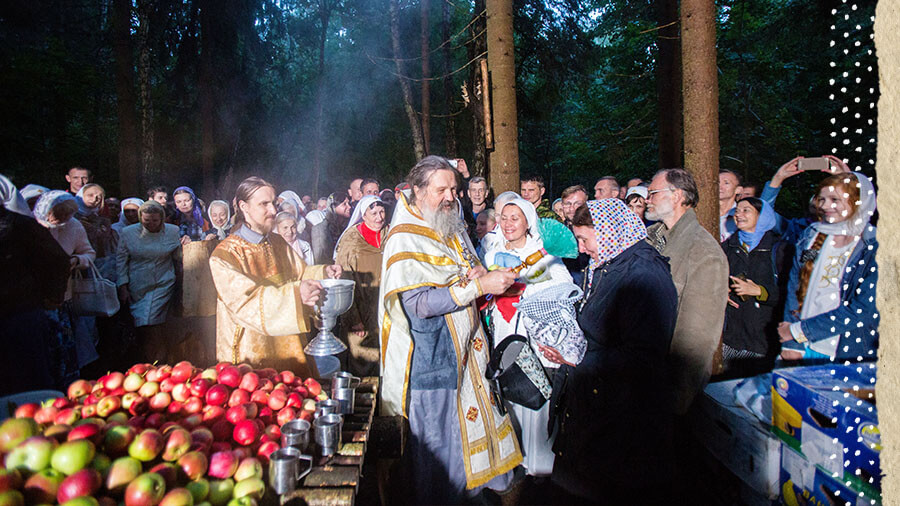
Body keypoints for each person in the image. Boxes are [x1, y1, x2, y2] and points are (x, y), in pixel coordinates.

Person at [379, 156, 522, 503]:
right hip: (433, 362)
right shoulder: (404, 237)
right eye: (440, 189)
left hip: (469, 355)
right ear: (417, 190)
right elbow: (418, 305)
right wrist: (477, 286)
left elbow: (465, 268)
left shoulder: (448, 223)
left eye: (453, 189)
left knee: (468, 446)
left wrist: (476, 274)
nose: (449, 196)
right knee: (441, 452)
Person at [546, 199, 677, 503]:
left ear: (608, 232)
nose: (580, 249)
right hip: (595, 405)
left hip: (623, 420)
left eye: (584, 239)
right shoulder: (608, 263)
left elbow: (644, 358)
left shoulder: (645, 276)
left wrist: (577, 359)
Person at [209, 177, 341, 375]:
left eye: (273, 203)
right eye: (264, 204)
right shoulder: (225, 255)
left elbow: (300, 272)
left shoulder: (277, 242)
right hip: (251, 347)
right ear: (243, 206)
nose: (272, 211)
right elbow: (246, 301)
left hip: (289, 341)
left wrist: (323, 273)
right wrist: (297, 294)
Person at [482, 197, 574, 479]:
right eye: (504, 218)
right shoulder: (489, 251)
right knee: (505, 395)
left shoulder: (543, 255)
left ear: (527, 222)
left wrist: (525, 289)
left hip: (532, 338)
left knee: (532, 395)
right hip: (501, 332)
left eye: (515, 218)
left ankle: (539, 470)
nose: (508, 224)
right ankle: (512, 461)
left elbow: (565, 290)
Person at [644, 168, 728, 415]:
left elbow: (696, 341)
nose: (647, 199)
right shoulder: (649, 239)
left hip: (663, 386)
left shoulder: (704, 254)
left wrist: (675, 400)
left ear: (677, 195)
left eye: (653, 193)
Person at [778, 172, 878, 363]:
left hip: (844, 351)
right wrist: (792, 344)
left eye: (834, 200)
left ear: (858, 202)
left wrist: (797, 331)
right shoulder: (813, 236)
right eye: (821, 199)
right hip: (802, 346)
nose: (824, 206)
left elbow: (863, 309)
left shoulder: (873, 247)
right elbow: (796, 285)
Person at [0, 200, 71, 395]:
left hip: (20, 312)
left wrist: (52, 296)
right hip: (22, 309)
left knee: (30, 380)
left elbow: (56, 260)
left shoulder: (19, 225)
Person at [721, 197, 791, 376]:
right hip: (731, 338)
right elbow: (715, 278)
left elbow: (792, 294)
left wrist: (759, 291)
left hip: (764, 340)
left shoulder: (779, 250)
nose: (739, 214)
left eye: (746, 210)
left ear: (763, 216)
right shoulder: (728, 247)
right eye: (737, 211)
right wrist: (722, 291)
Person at [34, 191, 97, 385]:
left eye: (64, 216)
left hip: (62, 297)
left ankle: (67, 387)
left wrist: (77, 260)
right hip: (33, 299)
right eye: (55, 215)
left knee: (65, 349)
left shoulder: (74, 226)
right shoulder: (30, 227)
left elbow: (89, 253)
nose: (58, 220)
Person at [116, 201, 183, 356]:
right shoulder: (128, 233)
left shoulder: (173, 231)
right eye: (147, 220)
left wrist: (185, 246)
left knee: (153, 321)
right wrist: (123, 286)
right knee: (143, 325)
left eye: (155, 220)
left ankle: (159, 357)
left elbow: (178, 256)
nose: (151, 224)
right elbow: (121, 261)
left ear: (162, 219)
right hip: (138, 284)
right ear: (141, 218)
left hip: (163, 282)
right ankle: (148, 357)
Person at [334, 195, 388, 377]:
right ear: (363, 215)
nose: (379, 217)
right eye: (374, 213)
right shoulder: (351, 242)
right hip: (361, 312)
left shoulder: (390, 234)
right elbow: (343, 282)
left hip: (385, 310)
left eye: (382, 212)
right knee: (363, 363)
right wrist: (354, 319)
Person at [761, 155, 849, 246]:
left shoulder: (846, 226)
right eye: (817, 197)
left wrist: (849, 179)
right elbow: (763, 214)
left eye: (829, 199)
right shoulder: (793, 228)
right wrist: (777, 178)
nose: (819, 202)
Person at [75, 183, 118, 276]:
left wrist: (94, 228)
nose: (94, 199)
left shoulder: (103, 220)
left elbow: (104, 242)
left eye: (99, 197)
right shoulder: (70, 217)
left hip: (98, 265)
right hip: (75, 263)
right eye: (90, 195)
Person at [308, 191, 351, 264]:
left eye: (349, 203)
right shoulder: (320, 229)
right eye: (344, 204)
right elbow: (320, 259)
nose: (349, 207)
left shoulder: (349, 226)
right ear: (333, 207)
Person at [719, 170, 743, 242]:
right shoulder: (703, 213)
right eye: (717, 182)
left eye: (726, 183)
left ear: (738, 190)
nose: (720, 187)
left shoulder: (742, 215)